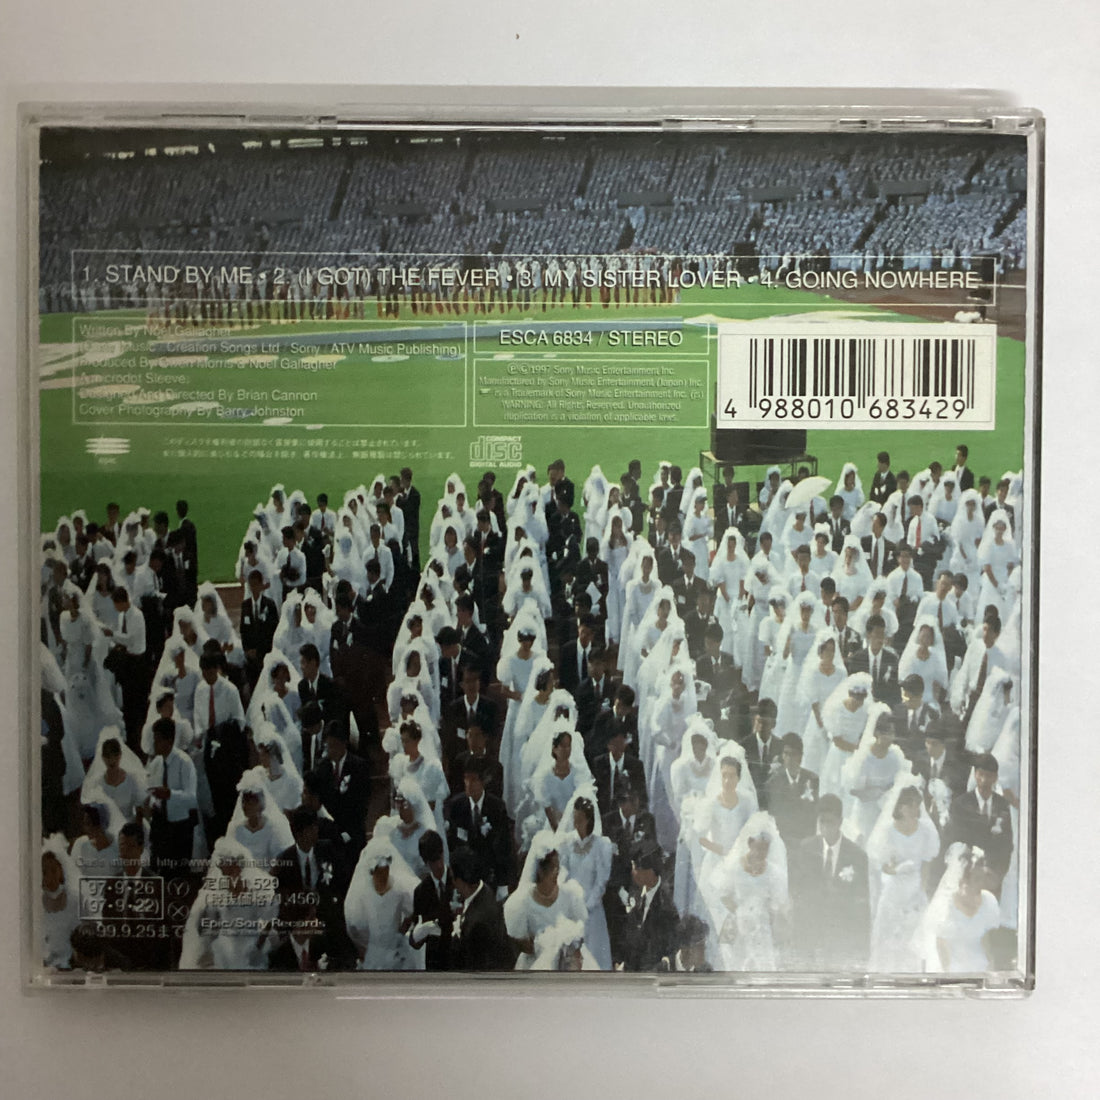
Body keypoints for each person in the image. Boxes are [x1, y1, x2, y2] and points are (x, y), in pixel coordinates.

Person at [867, 779, 940, 971]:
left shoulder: (925, 831)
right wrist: (891, 870)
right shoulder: (888, 830)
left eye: (917, 805)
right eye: (911, 805)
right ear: (901, 807)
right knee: (889, 934)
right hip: (894, 887)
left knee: (914, 934)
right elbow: (883, 864)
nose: (915, 809)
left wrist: (921, 890)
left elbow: (927, 863)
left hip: (916, 886)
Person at [790, 794, 870, 969]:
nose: (825, 827)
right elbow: (798, 891)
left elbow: (861, 900)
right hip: (812, 926)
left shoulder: (857, 856)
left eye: (831, 822)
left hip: (840, 930)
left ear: (840, 822)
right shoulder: (806, 848)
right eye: (822, 822)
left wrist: (858, 942)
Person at [179, 836, 279, 970]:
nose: (223, 870)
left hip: (251, 948)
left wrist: (257, 947)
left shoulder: (259, 886)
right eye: (221, 867)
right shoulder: (214, 888)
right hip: (223, 951)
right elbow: (199, 922)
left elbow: (270, 922)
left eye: (228, 866)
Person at [707, 811, 790, 971]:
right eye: (758, 848)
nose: (761, 853)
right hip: (738, 925)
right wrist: (740, 912)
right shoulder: (734, 868)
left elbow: (777, 903)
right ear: (750, 843)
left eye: (765, 849)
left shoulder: (773, 873)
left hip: (762, 928)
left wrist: (764, 916)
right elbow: (723, 895)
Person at [503, 831, 587, 970]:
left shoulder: (570, 894)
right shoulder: (521, 903)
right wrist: (549, 946)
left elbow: (581, 934)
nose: (557, 871)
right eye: (552, 868)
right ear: (540, 871)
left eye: (558, 866)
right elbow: (525, 947)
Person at [344, 835, 422, 971]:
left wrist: (400, 933)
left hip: (397, 951)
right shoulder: (363, 893)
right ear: (372, 871)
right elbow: (355, 925)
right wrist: (365, 947)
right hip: (374, 954)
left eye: (386, 869)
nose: (384, 874)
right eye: (380, 871)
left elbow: (412, 910)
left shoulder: (398, 888)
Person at [555, 789, 614, 969]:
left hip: (592, 909)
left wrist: (586, 907)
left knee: (593, 957)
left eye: (579, 819)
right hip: (571, 907)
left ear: (588, 820)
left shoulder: (601, 845)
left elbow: (601, 882)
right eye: (574, 818)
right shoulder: (567, 842)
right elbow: (562, 872)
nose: (575, 823)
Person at [141, 717, 198, 874]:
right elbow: (149, 789)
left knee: (178, 872)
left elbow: (192, 799)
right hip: (160, 824)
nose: (154, 744)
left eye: (158, 740)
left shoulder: (184, 763)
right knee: (159, 870)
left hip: (180, 827)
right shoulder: (156, 764)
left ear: (169, 740)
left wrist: (170, 794)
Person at [449, 844, 513, 970]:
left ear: (460, 881)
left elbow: (471, 968)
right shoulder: (485, 890)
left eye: (452, 878)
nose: (452, 883)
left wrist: (456, 938)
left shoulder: (477, 924)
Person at [621, 840, 678, 971]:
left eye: (636, 868)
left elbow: (666, 947)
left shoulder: (667, 904)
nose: (633, 872)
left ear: (650, 872)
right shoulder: (635, 892)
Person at [408, 830, 454, 971]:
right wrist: (421, 932)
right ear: (426, 862)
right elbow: (415, 941)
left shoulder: (457, 880)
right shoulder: (420, 892)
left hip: (457, 958)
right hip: (435, 963)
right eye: (433, 862)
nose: (439, 865)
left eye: (440, 858)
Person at [42, 835, 81, 969]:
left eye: (54, 870)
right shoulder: (35, 903)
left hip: (70, 965)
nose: (50, 876)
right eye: (44, 872)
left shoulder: (74, 900)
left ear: (61, 870)